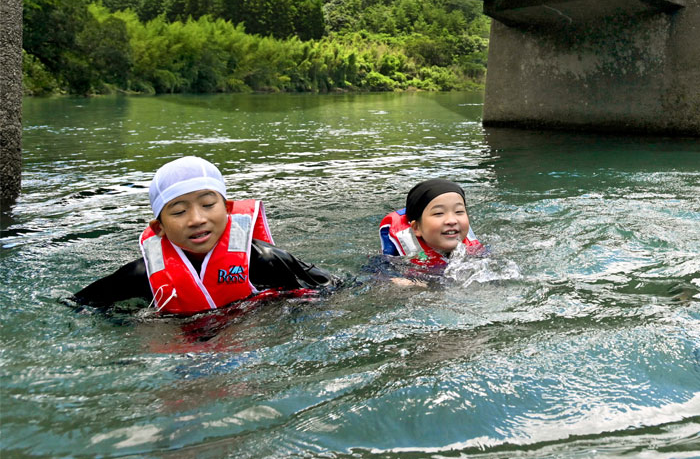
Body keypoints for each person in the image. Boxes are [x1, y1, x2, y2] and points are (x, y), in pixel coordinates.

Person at [72, 156, 333, 314]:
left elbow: (330, 289)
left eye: (208, 205)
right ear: (158, 227)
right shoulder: (143, 276)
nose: (196, 219)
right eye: (179, 211)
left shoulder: (265, 260)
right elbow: (78, 305)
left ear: (228, 210)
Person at [378, 179, 483, 267]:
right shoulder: (393, 263)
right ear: (416, 228)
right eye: (439, 213)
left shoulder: (478, 254)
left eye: (459, 211)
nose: (452, 220)